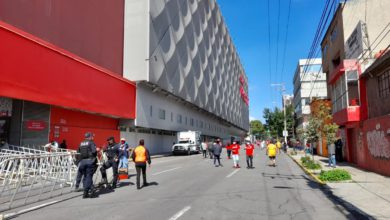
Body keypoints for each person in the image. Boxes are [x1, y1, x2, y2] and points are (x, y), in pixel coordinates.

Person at [75, 132, 97, 198]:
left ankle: (88, 191)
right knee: (89, 176)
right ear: (90, 136)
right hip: (89, 161)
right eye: (92, 136)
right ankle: (86, 192)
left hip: (82, 162)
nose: (92, 137)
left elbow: (78, 153)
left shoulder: (81, 143)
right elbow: (94, 151)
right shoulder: (91, 142)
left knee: (85, 176)